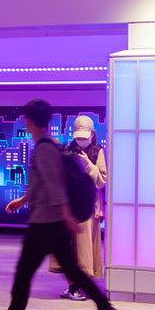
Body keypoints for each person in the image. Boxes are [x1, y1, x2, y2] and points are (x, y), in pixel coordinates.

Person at [0, 99, 124, 310]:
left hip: (45, 222)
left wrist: (66, 215)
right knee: (73, 269)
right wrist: (23, 200)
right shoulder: (51, 145)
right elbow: (42, 182)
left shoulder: (45, 148)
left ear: (29, 121)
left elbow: (55, 185)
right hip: (52, 220)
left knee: (24, 270)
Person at [51, 115, 108, 300]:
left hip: (87, 206)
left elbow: (102, 180)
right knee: (67, 247)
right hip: (69, 205)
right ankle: (72, 286)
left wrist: (88, 164)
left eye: (84, 137)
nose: (81, 141)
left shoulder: (98, 151)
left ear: (93, 134)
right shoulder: (68, 150)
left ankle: (78, 287)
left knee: (83, 249)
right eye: (78, 137)